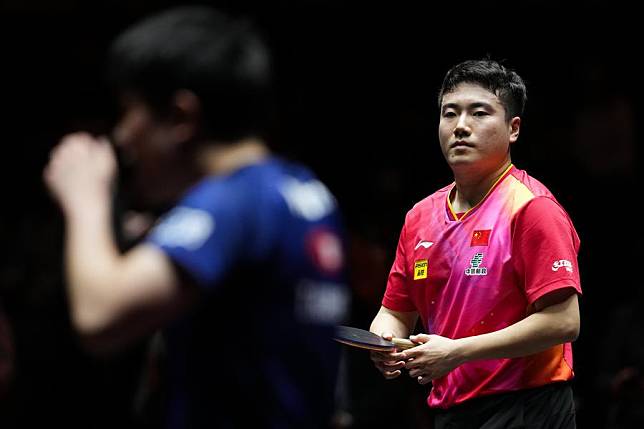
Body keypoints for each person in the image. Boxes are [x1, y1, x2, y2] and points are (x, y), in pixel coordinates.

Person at [43, 6, 349, 428]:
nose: (122, 134)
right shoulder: (303, 192)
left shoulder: (230, 202)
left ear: (181, 116)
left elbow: (99, 317)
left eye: (131, 111)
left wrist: (86, 199)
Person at [369, 59, 582, 428]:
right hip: (451, 410)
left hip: (529, 407)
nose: (461, 127)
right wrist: (384, 342)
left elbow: (564, 321)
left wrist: (456, 352)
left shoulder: (531, 208)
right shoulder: (419, 217)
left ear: (513, 129)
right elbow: (395, 312)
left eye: (479, 113)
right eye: (449, 114)